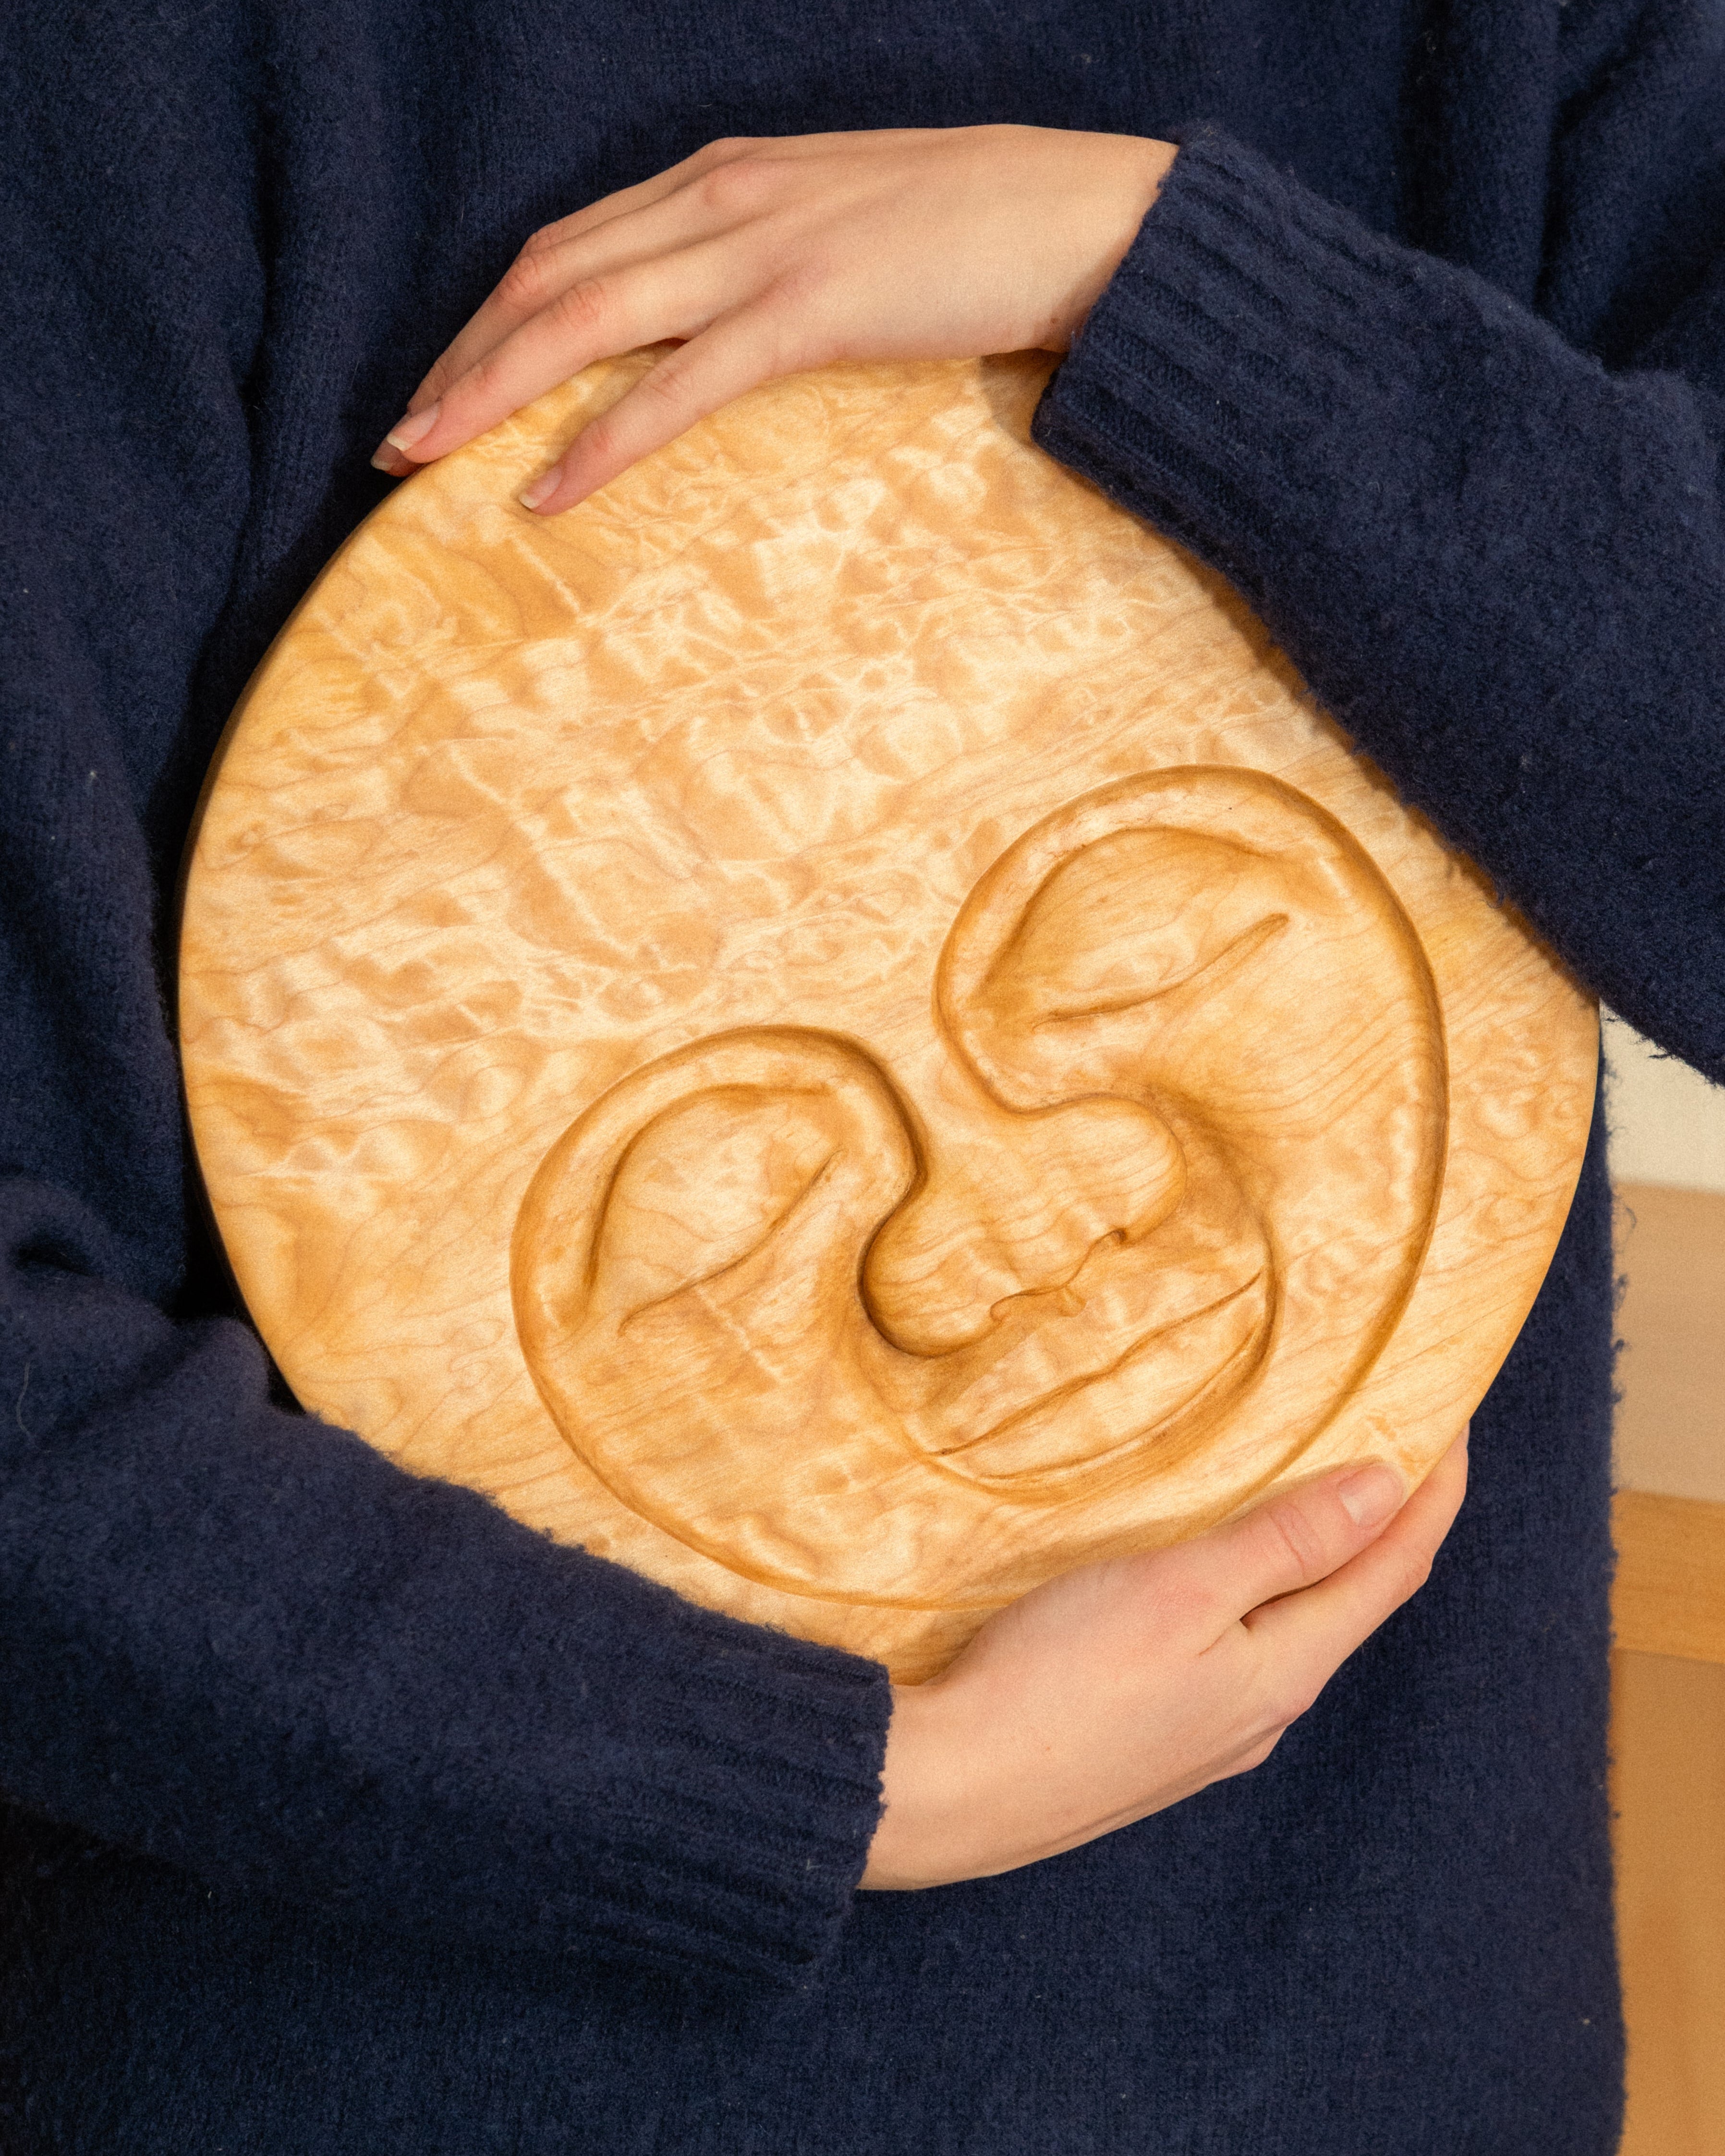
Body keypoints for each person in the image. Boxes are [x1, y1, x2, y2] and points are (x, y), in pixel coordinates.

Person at [2, 3, 1720, 2149]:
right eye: (729, 1196)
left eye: (1127, 955)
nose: (976, 1227)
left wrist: (1174, 293)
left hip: (1375, 2055)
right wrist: (827, 1782)